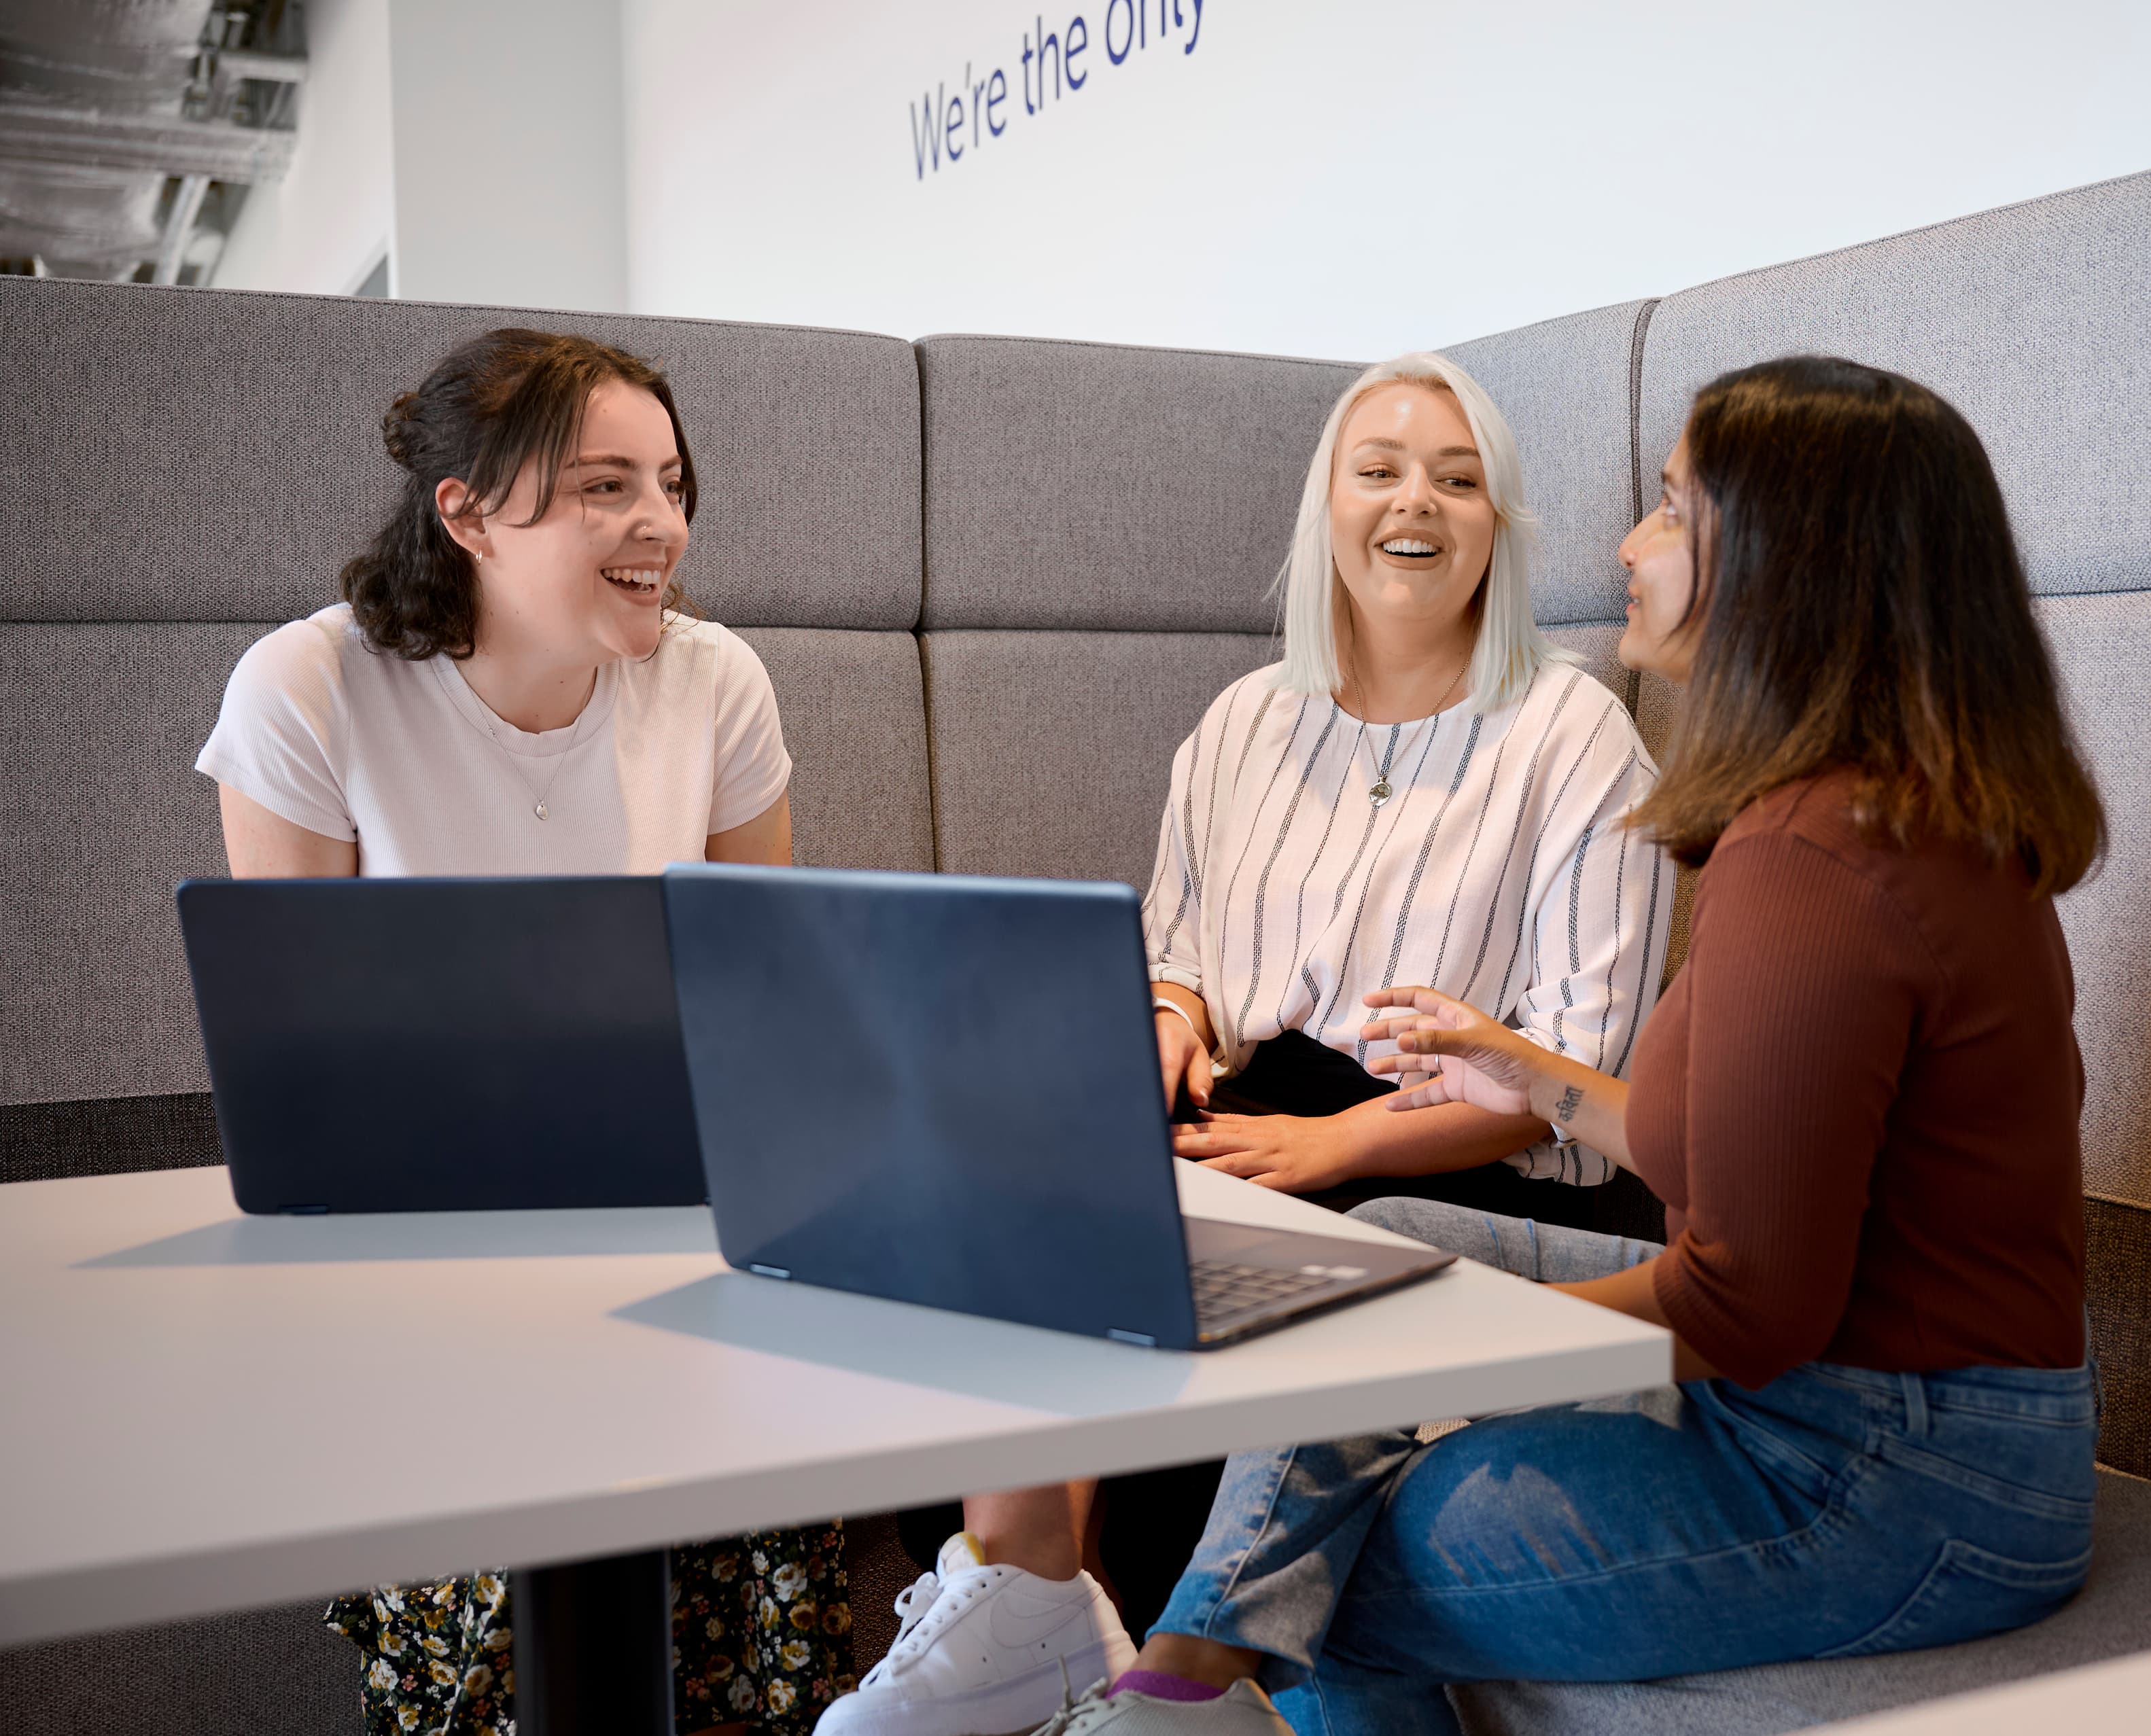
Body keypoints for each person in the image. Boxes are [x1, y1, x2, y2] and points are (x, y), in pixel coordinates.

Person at [1040, 355, 2110, 1735]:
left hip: (1897, 1467)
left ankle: (1165, 1692)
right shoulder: (1872, 811)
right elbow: (1721, 1143)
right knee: (1388, 1255)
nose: (1629, 545)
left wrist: (1455, 1349)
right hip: (1900, 1407)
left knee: (1332, 1571)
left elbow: (1748, 1310)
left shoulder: (1815, 863)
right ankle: (1173, 1692)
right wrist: (1535, 1076)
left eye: (1671, 510)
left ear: (1790, 566)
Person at [821, 355, 1673, 1736]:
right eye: (1380, 469)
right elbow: (1187, 956)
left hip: (1456, 1160)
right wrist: (1169, 1022)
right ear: (1323, 505)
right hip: (1247, 1116)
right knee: (982, 1223)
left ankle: (1131, 1671)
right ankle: (1039, 1622)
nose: (1418, 503)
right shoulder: (1245, 720)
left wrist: (1334, 1140)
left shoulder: (1573, 732)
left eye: (1460, 481)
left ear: (1500, 526)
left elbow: (1567, 1073)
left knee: (1182, 1311)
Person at [195, 329, 837, 1736]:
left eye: (670, 483)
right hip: (417, 1272)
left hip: (676, 1238)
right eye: (606, 487)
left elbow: (764, 1017)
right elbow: (307, 1079)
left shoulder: (717, 681)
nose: (658, 524)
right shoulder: (308, 690)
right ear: (468, 513)